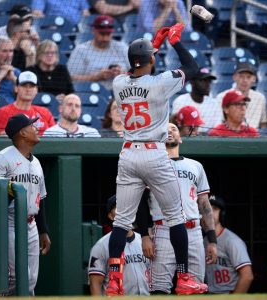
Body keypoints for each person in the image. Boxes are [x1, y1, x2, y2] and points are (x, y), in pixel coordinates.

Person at [107, 23, 207, 296]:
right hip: (154, 152)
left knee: (122, 222)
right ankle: (185, 277)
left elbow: (140, 66)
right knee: (176, 217)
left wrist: (155, 43)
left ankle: (114, 278)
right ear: (151, 59)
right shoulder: (161, 83)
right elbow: (194, 68)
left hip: (128, 152)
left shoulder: (119, 83)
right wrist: (174, 42)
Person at [140, 122, 217, 294]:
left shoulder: (196, 166)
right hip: (164, 229)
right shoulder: (150, 165)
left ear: (180, 138)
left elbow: (204, 204)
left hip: (194, 230)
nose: (169, 132)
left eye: (173, 129)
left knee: (195, 287)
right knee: (159, 287)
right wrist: (145, 236)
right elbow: (141, 203)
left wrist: (212, 239)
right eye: (165, 131)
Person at [0, 113, 51, 295]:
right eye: (32, 126)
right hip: (8, 222)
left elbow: (41, 197)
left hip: (31, 224)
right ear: (22, 132)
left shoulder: (36, 162)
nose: (36, 128)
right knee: (15, 276)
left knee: (30, 279)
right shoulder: (2, 158)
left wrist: (43, 229)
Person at [88, 195, 149, 295]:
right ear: (111, 216)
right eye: (118, 208)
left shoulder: (143, 241)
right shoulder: (101, 245)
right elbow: (95, 284)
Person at [205, 195, 253, 294]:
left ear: (222, 214)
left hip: (228, 293)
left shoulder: (232, 241)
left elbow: (247, 276)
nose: (209, 212)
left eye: (214, 209)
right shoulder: (202, 241)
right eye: (206, 209)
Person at [67, 15, 130, 90]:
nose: (105, 38)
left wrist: (123, 74)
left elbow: (138, 73)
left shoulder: (122, 48)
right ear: (94, 31)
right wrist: (95, 77)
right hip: (90, 92)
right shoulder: (81, 50)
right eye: (102, 34)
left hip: (122, 92)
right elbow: (71, 78)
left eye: (108, 34)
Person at [0, 71, 55, 136]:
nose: (28, 89)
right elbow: (1, 137)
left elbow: (54, 135)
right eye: (24, 86)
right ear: (16, 88)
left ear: (36, 90)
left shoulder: (45, 112)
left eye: (31, 86)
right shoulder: (3, 112)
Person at [216, 62, 267, 129]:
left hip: (254, 137)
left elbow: (264, 124)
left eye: (248, 77)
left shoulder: (260, 98)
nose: (245, 80)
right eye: (241, 76)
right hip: (230, 136)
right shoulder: (222, 97)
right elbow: (219, 123)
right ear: (234, 77)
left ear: (254, 79)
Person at [171, 67, 222, 134]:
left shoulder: (214, 104)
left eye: (209, 81)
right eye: (203, 80)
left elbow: (217, 130)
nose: (207, 85)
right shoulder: (180, 101)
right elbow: (177, 127)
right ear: (192, 82)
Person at [0, 37, 21, 103]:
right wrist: (0, 77)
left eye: (11, 51)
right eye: (4, 51)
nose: (9, 55)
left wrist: (14, 79)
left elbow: (26, 96)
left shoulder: (16, 72)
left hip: (11, 110)